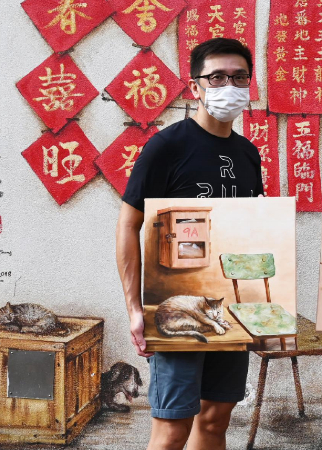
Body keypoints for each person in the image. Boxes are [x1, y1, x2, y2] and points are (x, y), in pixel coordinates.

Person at [115, 38, 263, 450]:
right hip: (178, 304)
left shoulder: (248, 154)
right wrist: (134, 308)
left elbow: (252, 232)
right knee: (171, 430)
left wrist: (265, 307)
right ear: (194, 87)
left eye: (238, 77)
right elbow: (129, 225)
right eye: (216, 76)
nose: (227, 85)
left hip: (230, 310)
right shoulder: (167, 147)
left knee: (215, 421)